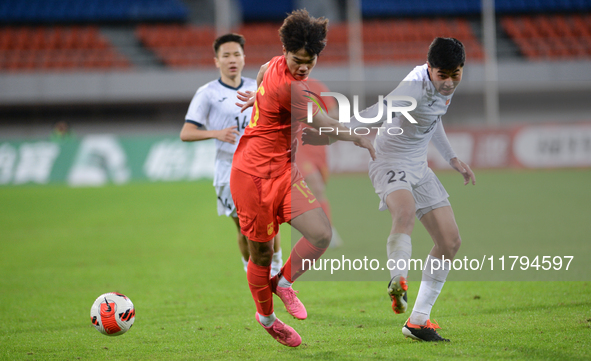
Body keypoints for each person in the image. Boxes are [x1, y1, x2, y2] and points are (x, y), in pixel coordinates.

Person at [305, 37, 475, 342]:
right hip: (388, 159)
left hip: (419, 166)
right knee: (405, 212)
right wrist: (335, 135)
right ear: (429, 68)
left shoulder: (442, 87)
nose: (449, 83)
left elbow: (433, 119)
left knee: (450, 242)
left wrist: (452, 158)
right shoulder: (413, 88)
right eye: (443, 76)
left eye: (456, 75)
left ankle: (418, 321)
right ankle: (398, 279)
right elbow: (375, 112)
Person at [231, 9, 375, 347]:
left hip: (284, 172)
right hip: (252, 177)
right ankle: (267, 318)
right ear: (286, 51)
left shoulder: (270, 67)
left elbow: (262, 79)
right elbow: (325, 125)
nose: (303, 67)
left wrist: (258, 99)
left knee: (321, 235)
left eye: (310, 61)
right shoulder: (292, 90)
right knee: (262, 255)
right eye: (298, 60)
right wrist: (360, 137)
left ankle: (283, 284)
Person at [180, 33, 283, 276]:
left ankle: (276, 273)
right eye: (225, 55)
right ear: (217, 61)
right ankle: (253, 274)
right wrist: (215, 133)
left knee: (271, 224)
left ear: (244, 58)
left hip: (262, 165)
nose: (232, 59)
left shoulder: (257, 87)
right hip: (229, 169)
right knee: (244, 228)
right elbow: (186, 132)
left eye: (236, 54)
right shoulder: (207, 93)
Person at [295, 79, 343, 247]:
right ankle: (328, 232)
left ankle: (319, 229)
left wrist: (319, 116)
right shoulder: (286, 88)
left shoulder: (318, 87)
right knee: (316, 185)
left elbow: (335, 113)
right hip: (298, 147)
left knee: (318, 191)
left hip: (319, 148)